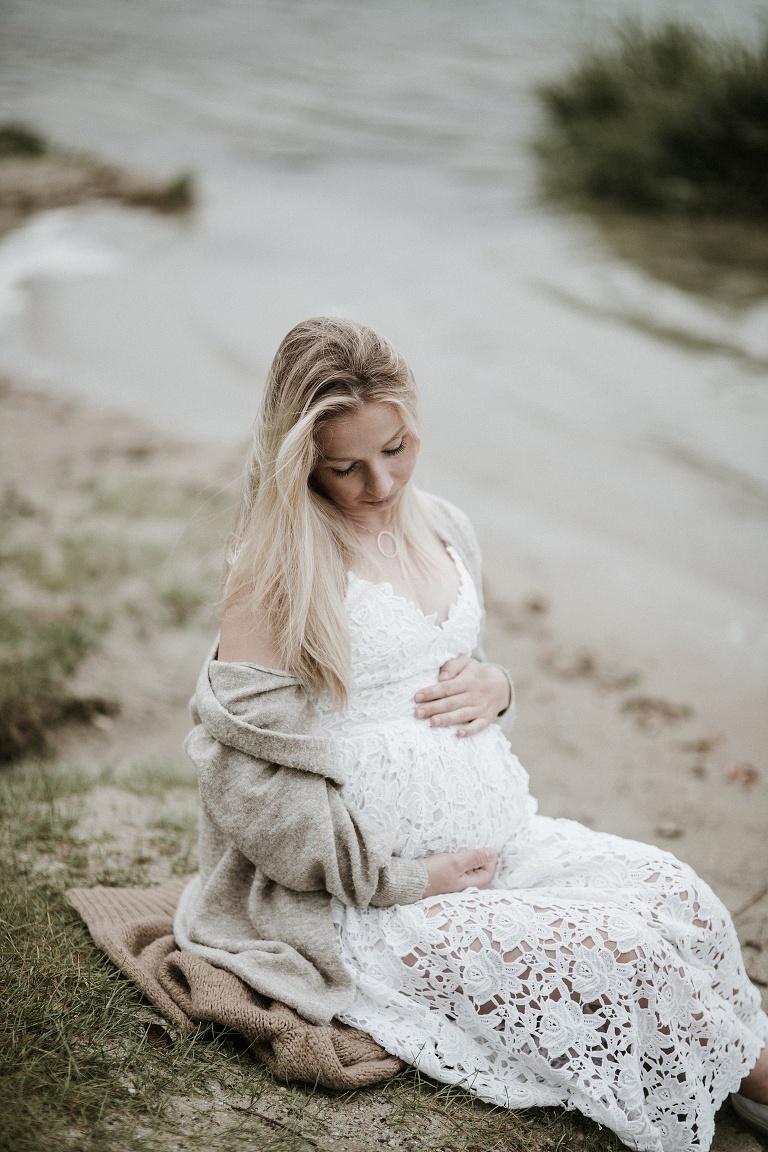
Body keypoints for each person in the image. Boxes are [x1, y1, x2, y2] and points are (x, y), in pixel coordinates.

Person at [174, 317, 768, 1152]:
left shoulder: (446, 524)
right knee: (623, 955)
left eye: (396, 449)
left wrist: (500, 690)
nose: (381, 484)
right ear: (300, 457)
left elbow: (449, 681)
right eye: (346, 467)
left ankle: (741, 1082)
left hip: (503, 840)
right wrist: (407, 879)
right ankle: (759, 1080)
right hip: (372, 905)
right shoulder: (277, 571)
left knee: (682, 899)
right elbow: (244, 782)